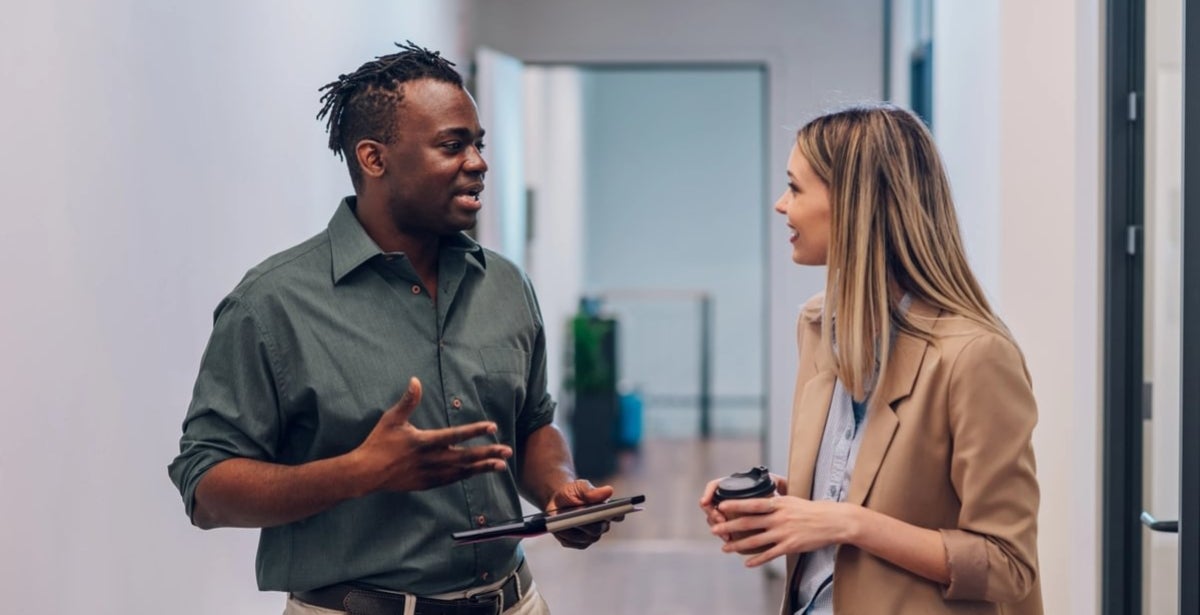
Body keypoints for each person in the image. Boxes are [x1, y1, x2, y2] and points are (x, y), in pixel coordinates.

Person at [168, 42, 615, 615]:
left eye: (478, 144)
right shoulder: (272, 303)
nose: (478, 162)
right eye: (452, 145)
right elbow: (206, 488)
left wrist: (559, 490)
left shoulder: (505, 285)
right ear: (374, 159)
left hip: (515, 602)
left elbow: (532, 423)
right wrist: (358, 472)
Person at [699, 103, 1042, 614]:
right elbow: (882, 487)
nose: (779, 204)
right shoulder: (818, 327)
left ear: (857, 204)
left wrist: (845, 520)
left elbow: (1008, 565)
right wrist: (784, 505)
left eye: (795, 188)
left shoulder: (975, 356)